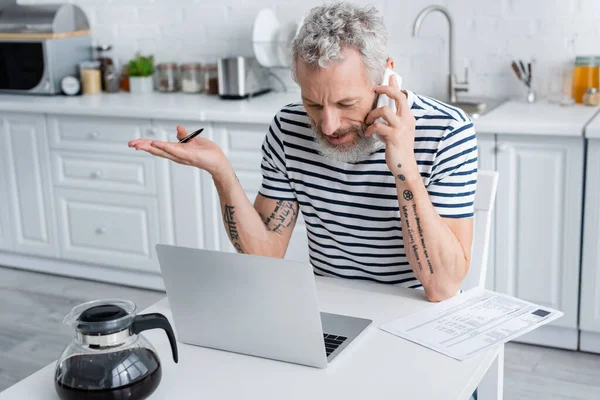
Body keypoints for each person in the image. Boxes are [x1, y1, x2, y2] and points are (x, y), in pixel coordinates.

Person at [128, 2, 478, 304]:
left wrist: (405, 170)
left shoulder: (448, 132)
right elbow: (265, 254)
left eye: (346, 103)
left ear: (386, 77)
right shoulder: (288, 128)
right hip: (330, 309)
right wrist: (221, 171)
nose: (327, 126)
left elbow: (442, 288)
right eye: (312, 102)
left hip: (418, 314)